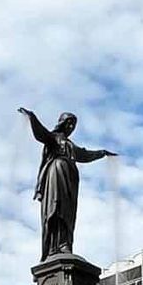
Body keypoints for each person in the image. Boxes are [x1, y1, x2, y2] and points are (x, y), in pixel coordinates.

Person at [18, 108, 117, 259]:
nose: (71, 127)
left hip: (70, 179)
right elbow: (41, 133)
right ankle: (53, 247)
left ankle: (65, 244)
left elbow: (85, 155)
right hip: (56, 173)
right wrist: (32, 117)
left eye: (74, 125)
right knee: (55, 208)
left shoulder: (70, 145)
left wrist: (102, 153)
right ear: (62, 123)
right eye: (69, 123)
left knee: (67, 212)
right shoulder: (53, 138)